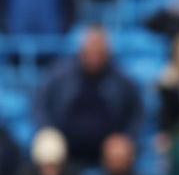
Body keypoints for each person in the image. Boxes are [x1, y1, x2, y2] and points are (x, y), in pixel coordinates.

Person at [33, 27, 142, 167]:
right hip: (66, 144)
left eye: (98, 51)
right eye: (90, 50)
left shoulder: (120, 80)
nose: (93, 55)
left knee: (121, 149)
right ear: (81, 51)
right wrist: (48, 130)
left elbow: (137, 111)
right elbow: (39, 103)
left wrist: (126, 137)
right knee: (48, 145)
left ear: (106, 53)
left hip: (107, 149)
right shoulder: (61, 75)